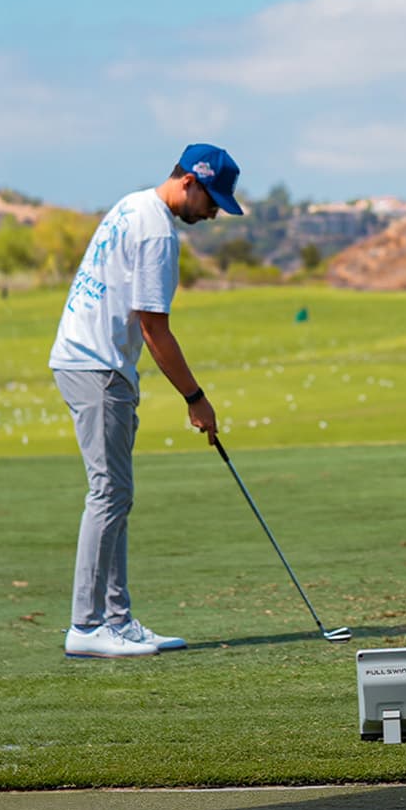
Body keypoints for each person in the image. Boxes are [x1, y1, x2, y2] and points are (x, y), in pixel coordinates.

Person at [49, 143, 243, 658]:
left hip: (88, 359)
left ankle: (117, 620)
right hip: (97, 364)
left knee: (116, 493)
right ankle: (87, 625)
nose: (214, 212)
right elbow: (154, 329)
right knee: (109, 493)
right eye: (212, 200)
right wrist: (195, 398)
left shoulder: (131, 204)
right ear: (189, 182)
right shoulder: (157, 231)